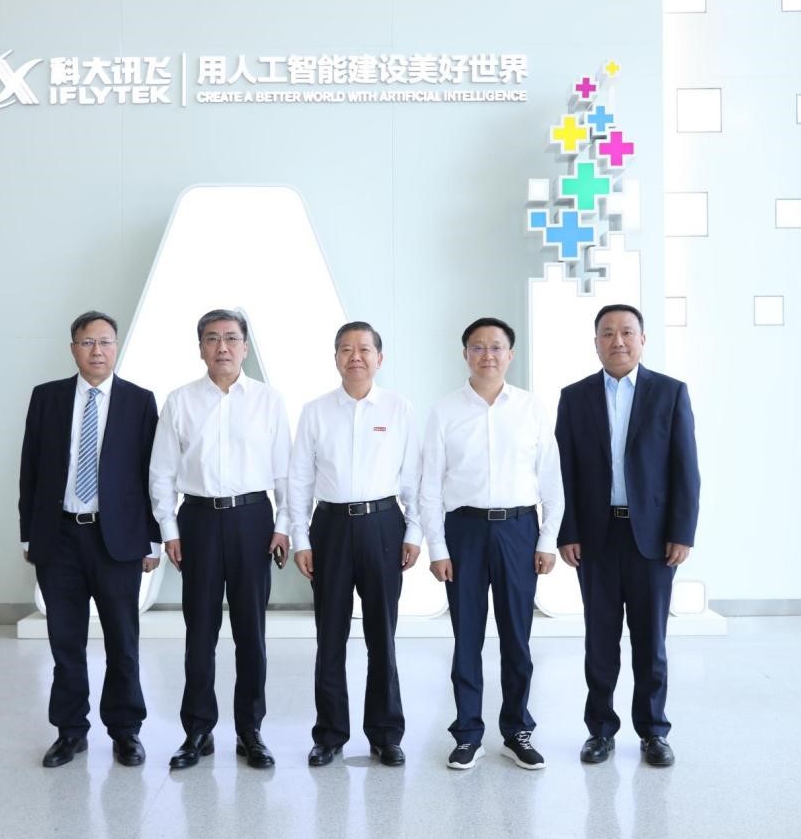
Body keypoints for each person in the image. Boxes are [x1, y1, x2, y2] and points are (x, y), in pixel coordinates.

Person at [554, 304, 700, 768]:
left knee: (650, 642)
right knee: (600, 641)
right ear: (595, 342)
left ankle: (653, 732)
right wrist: (567, 531)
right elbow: (564, 472)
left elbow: (686, 469)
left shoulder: (670, 393)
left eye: (627, 332)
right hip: (595, 538)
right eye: (607, 333)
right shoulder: (574, 397)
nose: (617, 341)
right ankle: (600, 730)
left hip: (653, 540)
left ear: (642, 339)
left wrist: (681, 533)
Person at [149, 308, 291, 770]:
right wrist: (170, 530)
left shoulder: (268, 400)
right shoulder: (180, 401)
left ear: (245, 347)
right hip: (198, 521)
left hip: (253, 519)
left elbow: (284, 473)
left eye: (231, 338)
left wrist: (284, 526)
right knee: (200, 632)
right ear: (201, 349)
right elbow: (161, 473)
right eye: (212, 338)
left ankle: (250, 731)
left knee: (251, 633)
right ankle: (198, 730)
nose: (222, 347)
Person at [18, 310, 161, 768]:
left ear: (116, 347)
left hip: (117, 539)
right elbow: (30, 468)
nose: (96, 351)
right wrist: (28, 534)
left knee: (123, 641)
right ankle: (70, 731)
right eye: (87, 342)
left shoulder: (140, 401)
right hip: (58, 536)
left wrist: (153, 539)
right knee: (65, 641)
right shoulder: (47, 398)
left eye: (105, 342)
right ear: (73, 348)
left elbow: (152, 475)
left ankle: (125, 731)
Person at [421, 317, 564, 771]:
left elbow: (551, 480)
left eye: (497, 347)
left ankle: (517, 731)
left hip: (519, 531)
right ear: (466, 354)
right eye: (478, 347)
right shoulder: (444, 411)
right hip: (463, 531)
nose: (488, 355)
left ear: (510, 355)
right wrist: (438, 548)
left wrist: (547, 540)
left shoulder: (531, 408)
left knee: (516, 638)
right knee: (466, 637)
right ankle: (467, 733)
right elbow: (430, 486)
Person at [288, 322, 422, 768]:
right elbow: (299, 479)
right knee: (330, 635)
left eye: (364, 349)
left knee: (382, 635)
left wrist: (413, 533)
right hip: (329, 526)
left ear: (380, 358)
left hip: (383, 525)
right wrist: (301, 537)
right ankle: (329, 734)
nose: (355, 357)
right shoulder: (316, 411)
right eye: (346, 349)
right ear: (336, 358)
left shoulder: (399, 409)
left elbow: (413, 477)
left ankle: (385, 734)